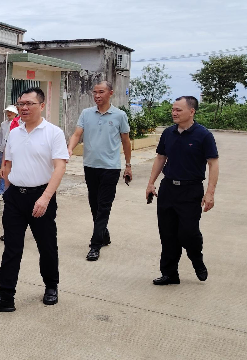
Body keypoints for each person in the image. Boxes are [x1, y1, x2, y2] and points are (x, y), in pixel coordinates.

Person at [0, 87, 69, 312]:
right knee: (11, 248)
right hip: (15, 198)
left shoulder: (53, 133)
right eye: (21, 104)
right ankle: (5, 296)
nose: (24, 108)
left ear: (42, 106)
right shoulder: (15, 132)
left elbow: (60, 167)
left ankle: (51, 285)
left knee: (46, 246)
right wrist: (8, 192)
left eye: (29, 103)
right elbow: (8, 164)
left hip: (41, 197)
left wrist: (45, 198)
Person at [146, 96, 219, 286]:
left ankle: (196, 259)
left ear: (191, 111)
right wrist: (151, 183)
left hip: (191, 190)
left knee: (188, 233)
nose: (174, 113)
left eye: (178, 110)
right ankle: (170, 274)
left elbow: (213, 163)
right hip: (168, 188)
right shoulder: (168, 133)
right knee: (167, 233)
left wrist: (210, 193)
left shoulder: (203, 135)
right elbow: (161, 158)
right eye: (173, 109)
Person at [67, 81, 132, 261]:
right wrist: (69, 148)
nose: (97, 95)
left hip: (110, 168)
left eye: (101, 92)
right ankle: (104, 233)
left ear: (110, 93)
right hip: (90, 166)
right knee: (94, 204)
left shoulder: (119, 115)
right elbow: (77, 134)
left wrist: (128, 165)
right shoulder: (86, 113)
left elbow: (126, 141)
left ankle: (95, 245)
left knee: (104, 206)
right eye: (94, 92)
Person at [0, 105, 19, 201]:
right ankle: (2, 191)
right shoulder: (3, 124)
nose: (9, 114)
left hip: (13, 151)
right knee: (2, 171)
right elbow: (1, 138)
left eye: (11, 112)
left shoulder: (18, 124)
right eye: (8, 112)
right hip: (3, 150)